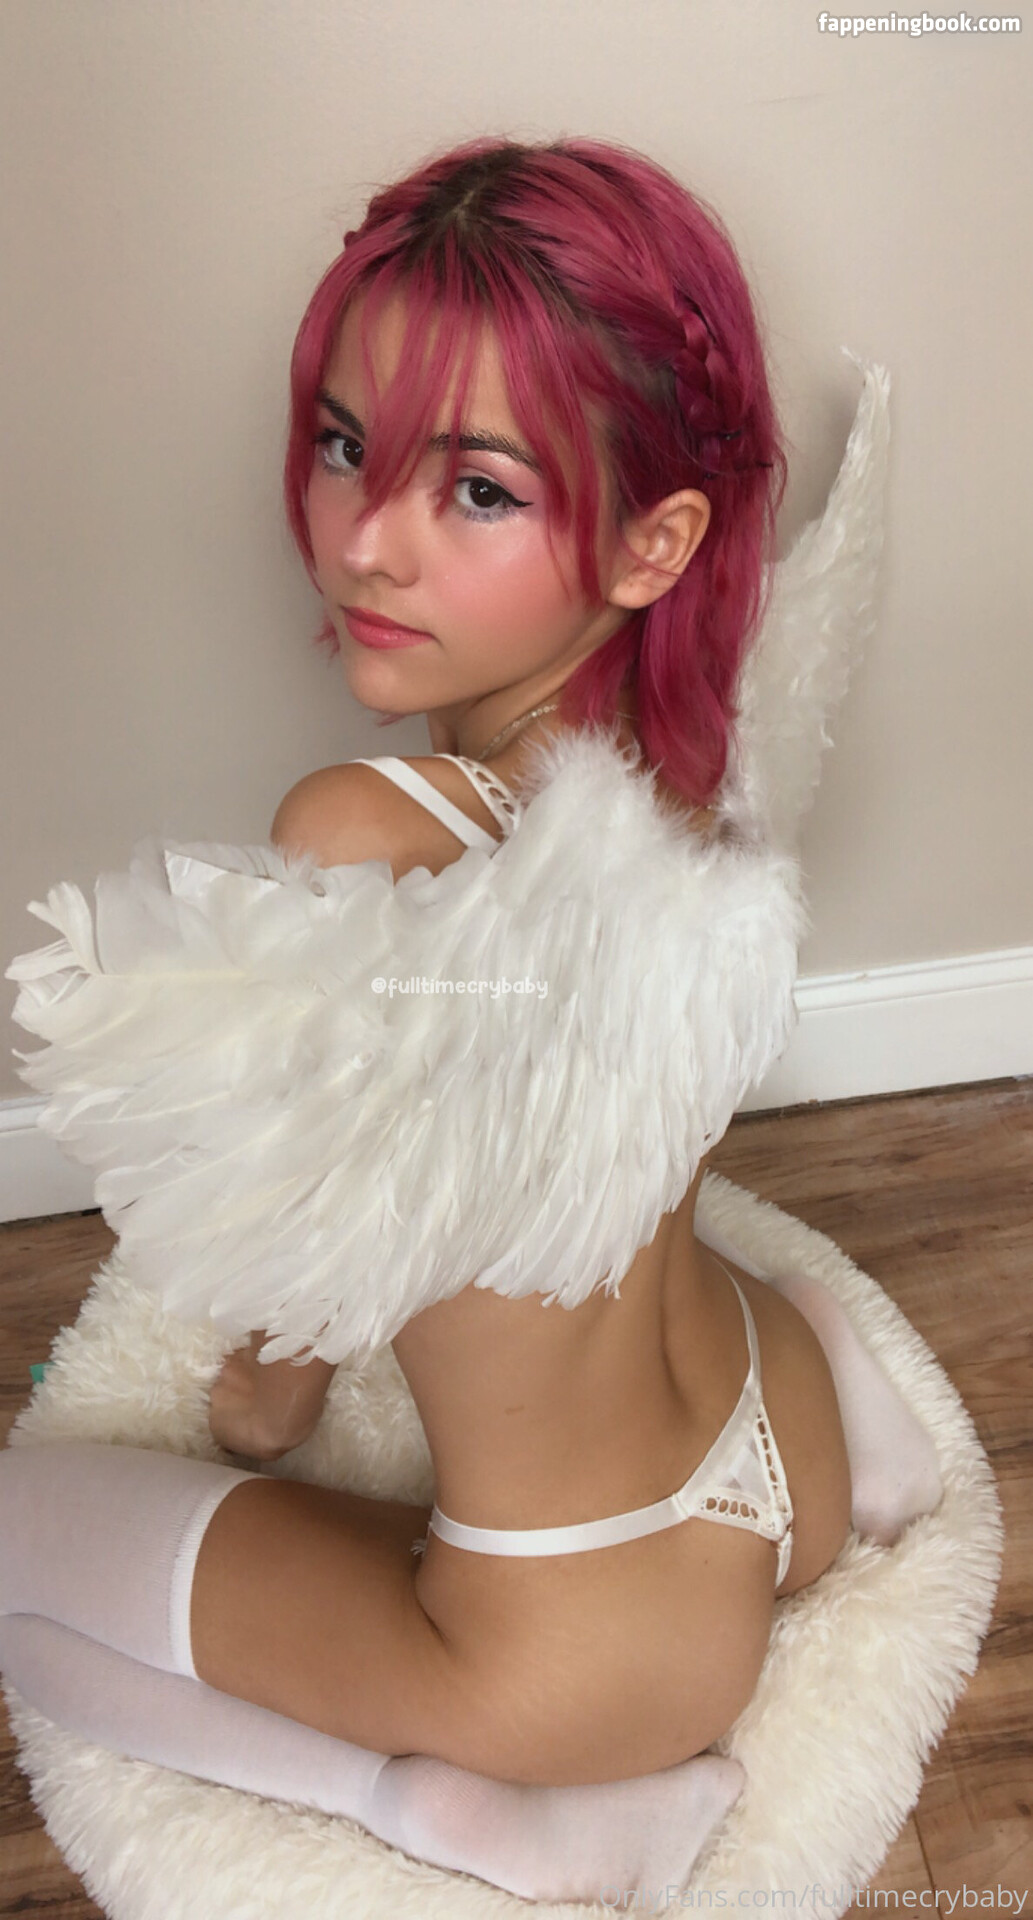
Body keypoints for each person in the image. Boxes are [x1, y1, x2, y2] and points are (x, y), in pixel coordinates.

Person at [0, 136, 942, 1906]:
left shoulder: (359, 833)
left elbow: (315, 1266)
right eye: (344, 445)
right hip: (780, 1445)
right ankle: (847, 1404)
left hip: (575, 1652)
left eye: (479, 490)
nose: (364, 540)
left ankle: (500, 1815)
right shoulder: (695, 768)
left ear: (655, 541)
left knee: (24, 1596)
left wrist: (273, 1391)